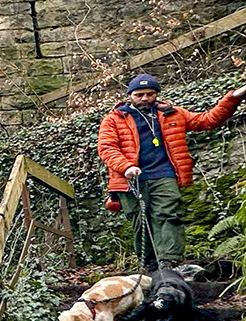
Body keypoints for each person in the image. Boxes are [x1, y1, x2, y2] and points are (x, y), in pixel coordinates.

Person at [98, 73, 246, 271]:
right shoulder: (113, 119)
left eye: (150, 94)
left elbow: (207, 120)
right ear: (130, 95)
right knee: (141, 222)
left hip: (164, 174)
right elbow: (107, 148)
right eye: (139, 94)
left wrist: (235, 96)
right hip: (130, 179)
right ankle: (149, 266)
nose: (144, 98)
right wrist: (126, 167)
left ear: (157, 94)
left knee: (168, 215)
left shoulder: (172, 113)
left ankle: (168, 262)